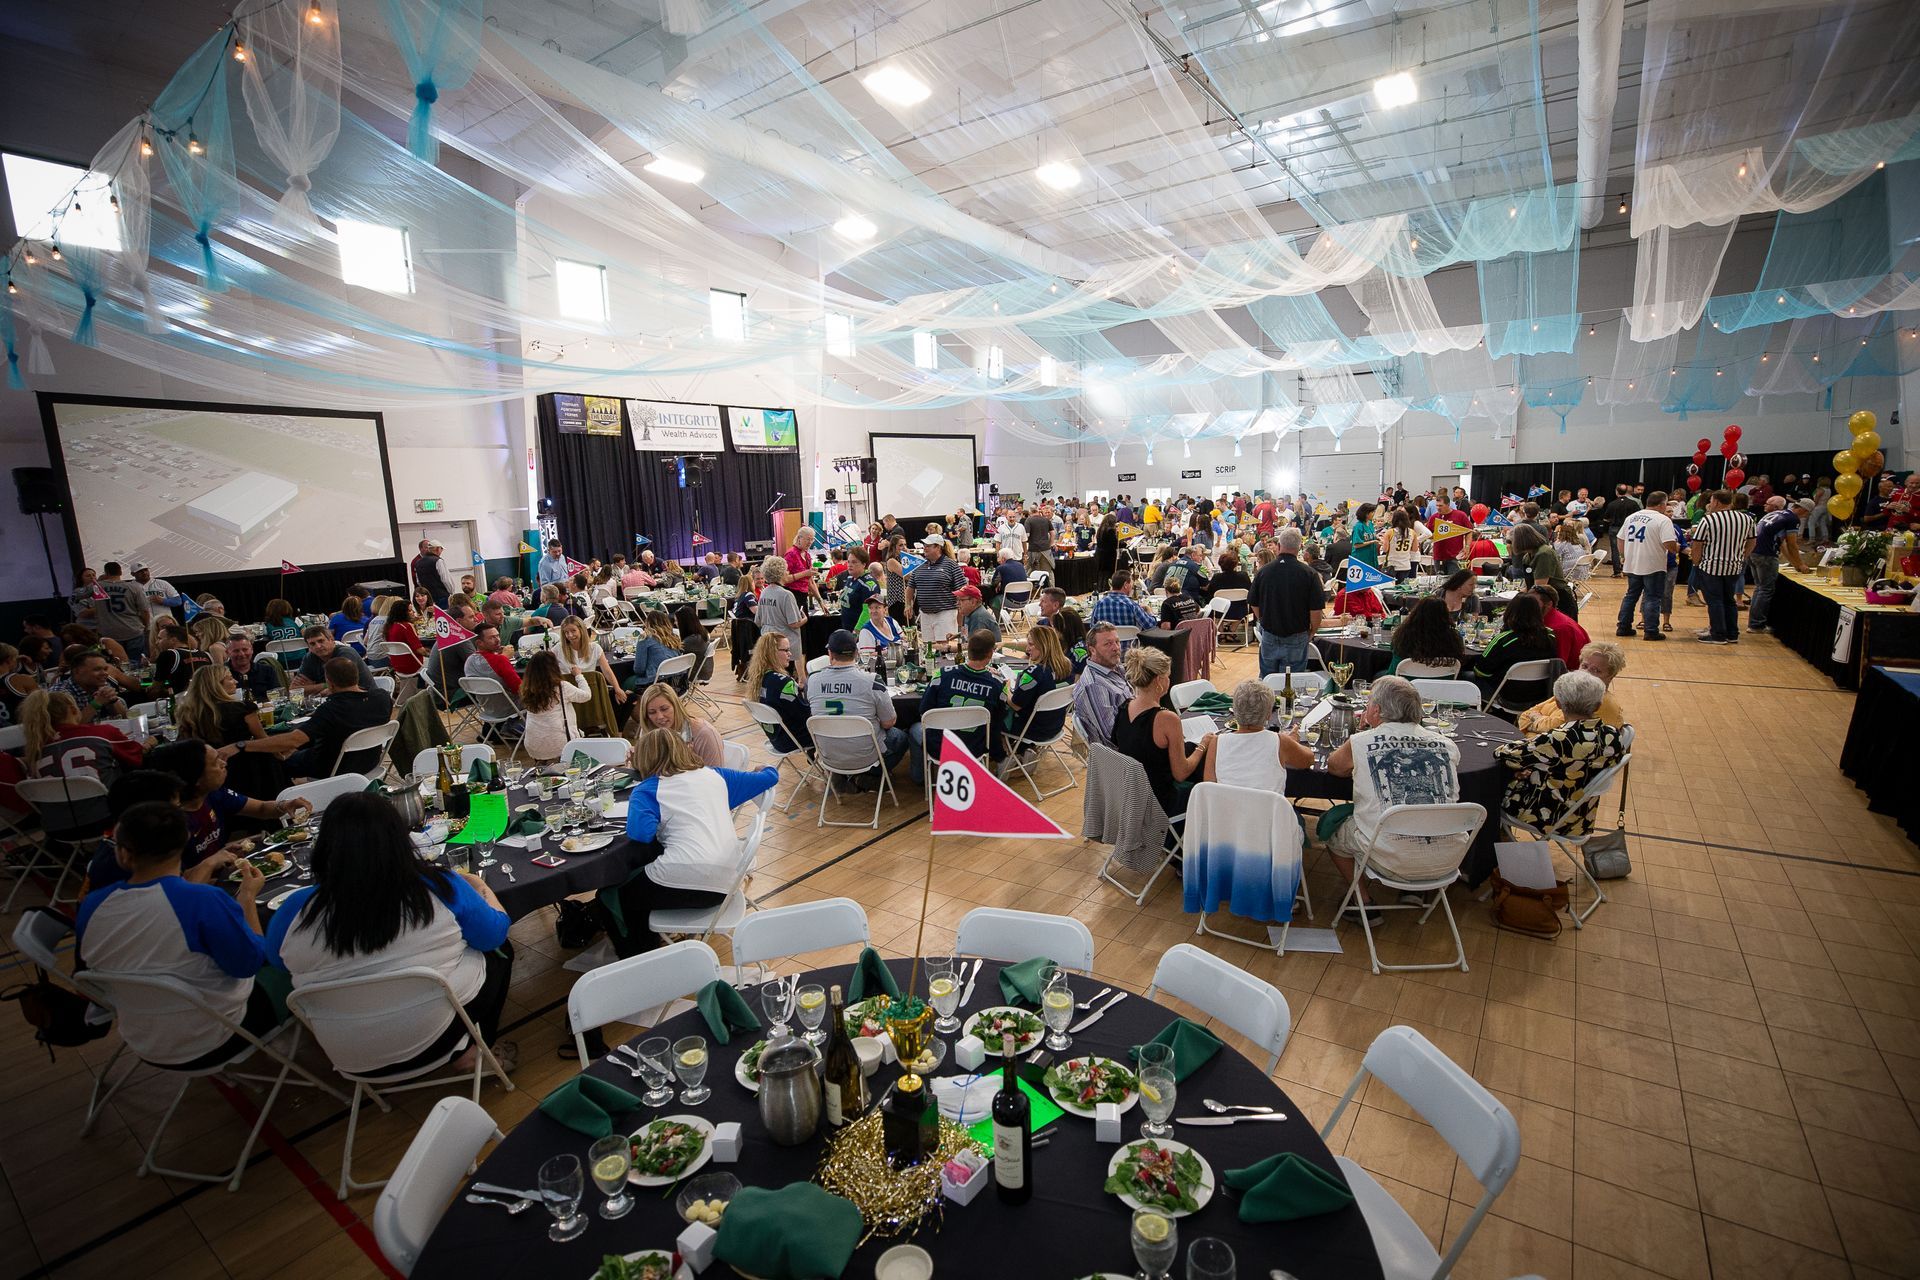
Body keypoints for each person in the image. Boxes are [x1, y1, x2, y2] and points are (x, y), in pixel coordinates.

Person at [267, 793, 515, 1076]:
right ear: (399, 839)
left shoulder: (295, 909)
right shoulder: (436, 887)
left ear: (324, 846)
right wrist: (481, 889)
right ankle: (471, 1054)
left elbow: (278, 963)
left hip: (349, 1055)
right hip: (436, 1037)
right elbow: (493, 935)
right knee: (500, 950)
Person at [75, 802, 283, 1068]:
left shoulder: (92, 904)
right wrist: (247, 898)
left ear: (124, 855)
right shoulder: (201, 900)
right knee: (289, 960)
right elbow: (250, 964)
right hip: (218, 1035)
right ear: (184, 845)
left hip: (142, 1036)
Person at [604, 729, 779, 955]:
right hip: (729, 882)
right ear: (682, 749)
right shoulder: (717, 776)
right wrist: (764, 768)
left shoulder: (647, 790)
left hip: (685, 879)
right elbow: (770, 777)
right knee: (639, 882)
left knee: (611, 895)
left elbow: (641, 834)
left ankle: (638, 957)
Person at [1320, 676, 1461, 910]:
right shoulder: (1446, 744)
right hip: (1448, 859)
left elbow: (1335, 767)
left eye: (1368, 705)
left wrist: (1364, 730)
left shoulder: (1361, 741)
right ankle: (1416, 890)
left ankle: (1362, 901)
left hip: (1390, 858)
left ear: (1376, 710)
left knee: (1333, 829)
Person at [141, 738, 307, 870]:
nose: (224, 763)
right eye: (215, 763)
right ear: (196, 779)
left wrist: (285, 805)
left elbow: (261, 808)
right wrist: (212, 863)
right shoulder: (170, 823)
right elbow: (182, 883)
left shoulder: (213, 794)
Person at [1495, 671, 1627, 835]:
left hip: (1545, 815)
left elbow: (1503, 754)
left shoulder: (1556, 739)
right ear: (1598, 705)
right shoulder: (1612, 735)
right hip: (1581, 817)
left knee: (1492, 784)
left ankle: (1493, 844)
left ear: (1557, 703)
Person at [231, 656, 393, 779]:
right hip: (369, 763)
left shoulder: (332, 710)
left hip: (330, 768)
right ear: (357, 676)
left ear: (329, 682)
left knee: (270, 762)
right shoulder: (382, 698)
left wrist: (243, 745)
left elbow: (294, 740)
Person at [1110, 645, 1209, 819]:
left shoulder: (1124, 708)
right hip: (1159, 802)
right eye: (1168, 677)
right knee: (1207, 786)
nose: (1169, 681)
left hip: (1131, 797)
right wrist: (1203, 745)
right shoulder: (1167, 718)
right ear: (1158, 681)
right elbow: (1181, 773)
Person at [906, 629, 1007, 785]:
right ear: (990, 654)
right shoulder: (997, 685)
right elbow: (997, 723)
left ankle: (920, 779)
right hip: (974, 747)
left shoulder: (942, 675)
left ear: (968, 650)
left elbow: (924, 710)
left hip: (940, 747)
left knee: (914, 729)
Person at [811, 630, 909, 783]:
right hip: (865, 757)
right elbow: (889, 722)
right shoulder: (872, 681)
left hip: (829, 756)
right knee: (901, 737)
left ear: (830, 654)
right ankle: (871, 775)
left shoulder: (813, 681)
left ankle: (843, 774)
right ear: (856, 653)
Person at [1202, 679, 1314, 791]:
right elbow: (1308, 760)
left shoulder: (1216, 743)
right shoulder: (1280, 741)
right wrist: (1293, 743)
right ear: (1269, 715)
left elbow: (1209, 789)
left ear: (1234, 711)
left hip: (1227, 808)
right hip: (1269, 808)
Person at [20, 688, 145, 786]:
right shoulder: (103, 732)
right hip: (106, 809)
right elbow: (137, 757)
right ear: (74, 710)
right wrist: (149, 743)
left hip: (54, 816)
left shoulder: (35, 747)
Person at [1250, 529, 1327, 676]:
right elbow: (1316, 611)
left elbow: (1253, 602)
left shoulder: (1263, 572)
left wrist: (1263, 619)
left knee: (1268, 680)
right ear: (1299, 547)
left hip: (1270, 633)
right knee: (1292, 683)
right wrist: (1312, 632)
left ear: (1279, 546)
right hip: (1297, 634)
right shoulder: (1309, 574)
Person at [1688, 488, 1754, 645]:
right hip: (1733, 567)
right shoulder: (1746, 519)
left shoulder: (1709, 519)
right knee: (1729, 600)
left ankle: (1718, 634)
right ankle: (1732, 633)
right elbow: (1752, 541)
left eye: (1711, 501)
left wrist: (1696, 562)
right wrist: (1742, 556)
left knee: (1715, 601)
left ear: (1716, 501)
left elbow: (1697, 543)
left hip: (1711, 566)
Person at [1613, 490, 1680, 641]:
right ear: (1662, 504)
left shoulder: (1632, 517)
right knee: (1652, 597)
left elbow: (1620, 538)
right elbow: (1668, 542)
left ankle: (1623, 627)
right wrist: (1676, 548)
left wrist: (1625, 556)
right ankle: (1650, 630)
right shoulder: (1662, 520)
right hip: (1653, 565)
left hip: (1633, 563)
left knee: (1631, 596)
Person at [1519, 640, 1627, 734]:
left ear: (1611, 676)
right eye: (1584, 666)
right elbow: (1525, 715)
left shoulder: (1598, 702)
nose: (1586, 673)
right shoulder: (1574, 689)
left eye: (1596, 671)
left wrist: (1534, 721)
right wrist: (1539, 723)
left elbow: (1555, 731)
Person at [1470, 594, 1560, 701]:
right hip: (1539, 696)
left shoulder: (1504, 640)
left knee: (1466, 676)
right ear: (1538, 613)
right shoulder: (1550, 636)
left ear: (1510, 612)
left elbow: (1480, 671)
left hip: (1506, 696)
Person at [1748, 497, 1812, 634]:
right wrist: (1800, 564)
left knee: (1759, 588)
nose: (1806, 516)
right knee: (1765, 589)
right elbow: (1792, 544)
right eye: (1807, 513)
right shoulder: (1793, 519)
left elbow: (1781, 543)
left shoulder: (1776, 514)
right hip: (1766, 555)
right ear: (1803, 509)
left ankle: (1754, 622)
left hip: (1753, 552)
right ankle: (1756, 625)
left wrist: (1795, 564)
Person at [1004, 627, 1072, 749]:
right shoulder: (1067, 666)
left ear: (1043, 645)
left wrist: (1006, 687)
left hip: (1031, 730)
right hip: (1055, 726)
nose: (1027, 649)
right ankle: (1023, 751)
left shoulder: (1034, 672)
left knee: (996, 711)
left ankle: (1001, 757)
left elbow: (1015, 704)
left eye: (1031, 644)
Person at [518, 650, 591, 762]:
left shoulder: (526, 689)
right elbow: (586, 696)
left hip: (533, 744)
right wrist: (579, 676)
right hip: (560, 744)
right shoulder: (561, 687)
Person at [747, 632, 811, 753]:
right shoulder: (784, 683)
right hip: (794, 740)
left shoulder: (757, 679)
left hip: (776, 739)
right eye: (786, 650)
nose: (790, 654)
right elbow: (805, 715)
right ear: (772, 653)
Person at [1071, 621, 1131, 749]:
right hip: (1125, 758)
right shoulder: (1094, 686)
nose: (1116, 648)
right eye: (1108, 644)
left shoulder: (1115, 668)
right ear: (1092, 650)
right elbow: (1113, 737)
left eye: (1117, 642)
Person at [637, 683, 724, 768]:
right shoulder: (648, 729)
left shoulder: (704, 734)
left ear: (676, 706)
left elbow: (717, 777)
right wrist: (637, 761)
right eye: (652, 712)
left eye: (664, 709)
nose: (660, 717)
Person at [553, 614, 627, 708]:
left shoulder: (595, 648)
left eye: (573, 631)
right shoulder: (558, 648)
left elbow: (607, 671)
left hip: (591, 692)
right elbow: (547, 667)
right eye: (566, 632)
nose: (570, 635)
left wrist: (617, 688)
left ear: (581, 630)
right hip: (568, 695)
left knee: (627, 700)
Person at [460, 622, 524, 725]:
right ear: (479, 643)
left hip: (488, 709)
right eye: (491, 638)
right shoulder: (500, 660)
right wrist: (503, 658)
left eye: (497, 636)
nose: (498, 640)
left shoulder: (469, 661)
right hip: (510, 707)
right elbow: (520, 689)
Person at [906, 537, 968, 643]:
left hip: (945, 614)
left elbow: (962, 590)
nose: (925, 548)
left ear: (938, 547)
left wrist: (961, 614)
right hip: (925, 614)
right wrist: (908, 604)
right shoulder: (919, 565)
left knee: (945, 647)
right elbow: (910, 587)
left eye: (928, 546)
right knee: (928, 647)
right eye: (924, 546)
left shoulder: (951, 565)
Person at [47, 649, 131, 725]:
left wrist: (112, 701)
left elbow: (125, 719)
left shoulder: (100, 684)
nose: (105, 673)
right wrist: (97, 703)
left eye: (105, 669)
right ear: (77, 671)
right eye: (97, 669)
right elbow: (70, 729)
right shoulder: (59, 694)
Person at [90, 563, 153, 663]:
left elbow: (76, 595)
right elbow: (144, 610)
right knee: (137, 663)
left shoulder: (97, 587)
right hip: (133, 630)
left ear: (106, 573)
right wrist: (145, 626)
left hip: (109, 632)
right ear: (121, 572)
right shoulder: (134, 587)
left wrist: (97, 581)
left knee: (115, 663)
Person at [1387, 598, 1466, 674]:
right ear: (1445, 615)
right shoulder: (1454, 638)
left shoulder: (1403, 636)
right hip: (1442, 684)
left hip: (1404, 683)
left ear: (1416, 613)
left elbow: (1395, 661)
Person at [290, 626, 373, 693]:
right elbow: (294, 690)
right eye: (312, 644)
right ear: (308, 647)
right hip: (335, 701)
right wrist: (325, 686)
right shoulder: (309, 658)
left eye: (321, 641)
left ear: (332, 640)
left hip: (364, 698)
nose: (318, 646)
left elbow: (343, 688)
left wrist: (313, 686)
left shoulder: (345, 653)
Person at [754, 557, 807, 658]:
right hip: (784, 644)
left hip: (768, 642)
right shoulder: (786, 595)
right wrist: (804, 619)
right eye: (786, 570)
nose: (788, 572)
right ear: (780, 573)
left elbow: (758, 620)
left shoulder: (764, 592)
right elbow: (793, 623)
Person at [1532, 584, 1590, 669]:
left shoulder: (1559, 628)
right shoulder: (1553, 619)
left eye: (1533, 603)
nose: (1528, 605)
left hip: (1573, 676)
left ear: (1549, 604)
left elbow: (1558, 665)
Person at [149, 619, 213, 695]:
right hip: (209, 696)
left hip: (183, 700)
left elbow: (156, 688)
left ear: (173, 640)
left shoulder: (168, 654)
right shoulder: (205, 654)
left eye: (160, 639)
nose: (157, 642)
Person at [378, 599, 427, 682]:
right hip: (414, 665)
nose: (413, 613)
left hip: (397, 665)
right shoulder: (407, 627)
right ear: (403, 613)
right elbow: (420, 651)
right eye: (410, 610)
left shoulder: (390, 626)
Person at [1090, 571, 1156, 631]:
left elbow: (1093, 628)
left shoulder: (1099, 604)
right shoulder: (1132, 605)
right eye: (1131, 584)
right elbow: (1150, 625)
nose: (1132, 587)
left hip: (1106, 643)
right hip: (1130, 643)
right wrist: (1149, 611)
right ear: (1126, 585)